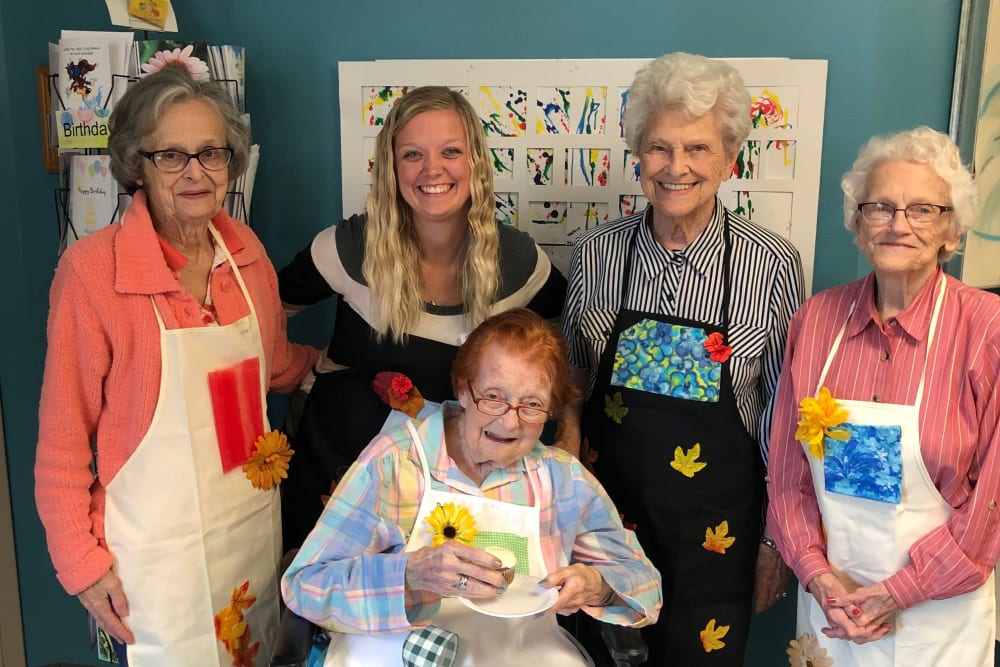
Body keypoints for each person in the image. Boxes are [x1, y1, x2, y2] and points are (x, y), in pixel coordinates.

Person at [34, 66, 319, 666]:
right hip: (151, 556)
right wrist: (80, 567)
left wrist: (335, 368)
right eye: (171, 155)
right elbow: (62, 441)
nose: (195, 172)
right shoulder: (92, 274)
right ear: (137, 164)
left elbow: (274, 365)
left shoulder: (247, 254)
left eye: (211, 153)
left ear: (231, 161)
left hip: (246, 535)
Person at [559, 52, 804, 664]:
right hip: (607, 530)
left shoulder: (773, 262)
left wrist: (775, 543)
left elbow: (782, 416)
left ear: (728, 160)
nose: (676, 167)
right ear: (638, 154)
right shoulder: (596, 253)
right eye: (659, 148)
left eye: (697, 149)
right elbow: (569, 390)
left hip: (717, 539)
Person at [281, 308, 661, 666]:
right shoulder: (395, 462)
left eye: (531, 405)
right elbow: (305, 585)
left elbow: (645, 585)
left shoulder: (562, 479)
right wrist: (408, 573)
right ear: (463, 389)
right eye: (493, 397)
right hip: (391, 653)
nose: (510, 424)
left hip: (517, 653)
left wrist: (599, 587)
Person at [278, 85, 566, 549]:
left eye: (450, 151)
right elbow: (257, 312)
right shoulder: (350, 248)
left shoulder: (518, 262)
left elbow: (565, 344)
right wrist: (293, 368)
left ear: (474, 161)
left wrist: (563, 428)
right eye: (413, 154)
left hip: (455, 499)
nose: (433, 170)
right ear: (392, 167)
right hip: (338, 481)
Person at [767, 126, 1000, 665]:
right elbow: (786, 476)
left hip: (939, 618)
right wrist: (817, 576)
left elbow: (991, 503)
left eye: (923, 210)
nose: (899, 224)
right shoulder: (816, 320)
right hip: (832, 611)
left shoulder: (987, 330)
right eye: (881, 208)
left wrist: (898, 593)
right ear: (858, 224)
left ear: (953, 232)